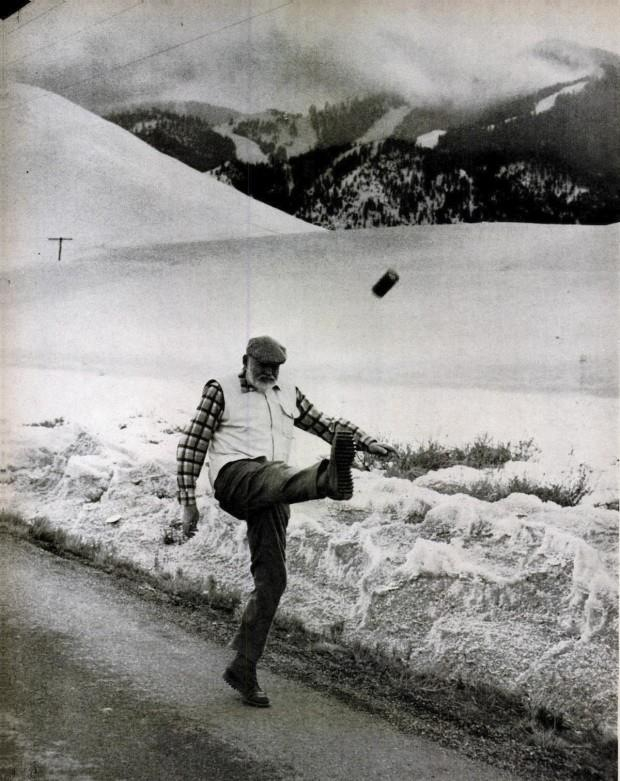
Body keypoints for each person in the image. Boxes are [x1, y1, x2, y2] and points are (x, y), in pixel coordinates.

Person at [176, 335, 396, 708]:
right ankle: (326, 480)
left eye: (275, 368)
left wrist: (364, 441)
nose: (269, 373)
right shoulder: (221, 390)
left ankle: (243, 666)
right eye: (262, 366)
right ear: (245, 360)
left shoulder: (286, 392)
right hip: (236, 477)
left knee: (273, 579)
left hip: (275, 490)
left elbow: (326, 424)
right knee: (274, 472)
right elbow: (192, 444)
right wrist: (188, 502)